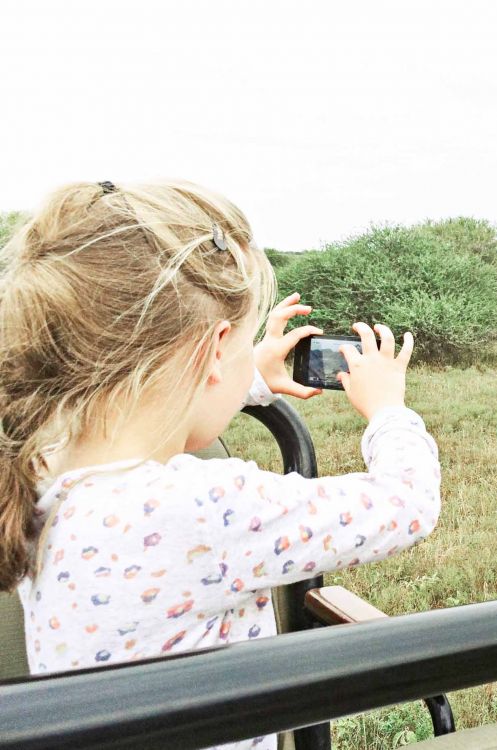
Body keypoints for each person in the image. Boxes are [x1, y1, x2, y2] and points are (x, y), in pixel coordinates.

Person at [0, 180, 441, 750]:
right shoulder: (203, 508)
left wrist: (246, 374)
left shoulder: (38, 464)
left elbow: (161, 413)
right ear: (214, 350)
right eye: (240, 347)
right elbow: (407, 504)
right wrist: (389, 411)